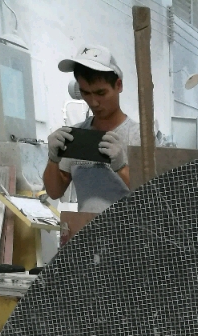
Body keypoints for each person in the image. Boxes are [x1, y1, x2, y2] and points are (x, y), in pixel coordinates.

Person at [43, 45, 141, 213]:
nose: (93, 102)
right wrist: (53, 159)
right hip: (86, 229)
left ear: (118, 85)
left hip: (128, 230)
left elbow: (155, 197)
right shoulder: (75, 137)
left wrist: (122, 167)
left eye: (101, 93)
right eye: (86, 93)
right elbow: (54, 192)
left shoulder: (139, 137)